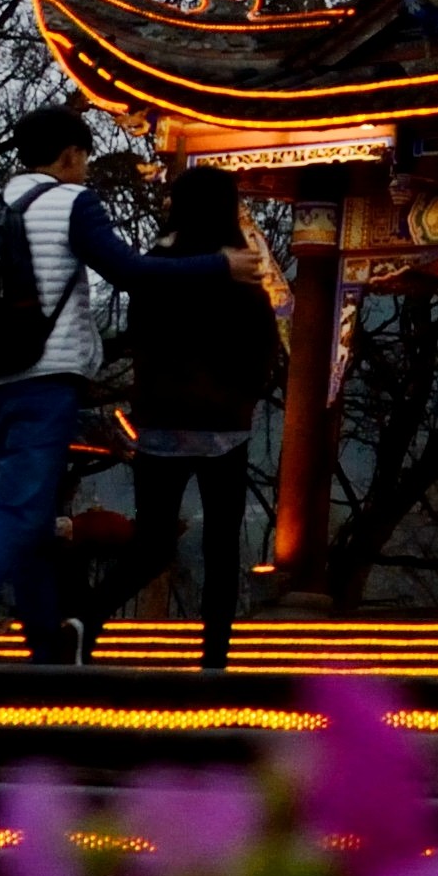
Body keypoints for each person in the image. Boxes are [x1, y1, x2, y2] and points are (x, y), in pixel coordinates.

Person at [0, 104, 265, 665]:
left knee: (27, 511)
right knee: (17, 514)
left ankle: (48, 646)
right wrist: (220, 267)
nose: (85, 172)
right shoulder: (70, 201)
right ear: (71, 155)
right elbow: (131, 273)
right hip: (46, 378)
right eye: (84, 160)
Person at [79, 164, 281, 671]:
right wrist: (245, 394)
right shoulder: (239, 270)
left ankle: (89, 616)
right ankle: (214, 659)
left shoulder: (154, 268)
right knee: (221, 544)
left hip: (161, 420)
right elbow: (262, 347)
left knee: (150, 544)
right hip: (224, 425)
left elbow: (140, 337)